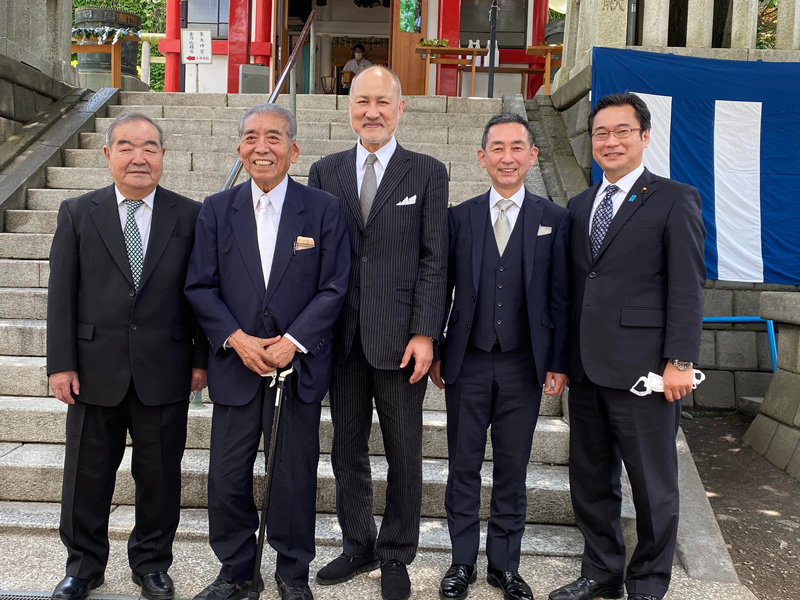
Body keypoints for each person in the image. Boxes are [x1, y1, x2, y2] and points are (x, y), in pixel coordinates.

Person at [185, 103, 349, 600]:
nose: (263, 147)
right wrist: (236, 338)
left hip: (295, 368)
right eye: (252, 137)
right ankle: (236, 569)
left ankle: (292, 571)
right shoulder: (216, 208)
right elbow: (200, 286)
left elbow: (335, 286)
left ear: (294, 150)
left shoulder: (322, 209)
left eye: (275, 137)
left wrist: (293, 343)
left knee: (294, 475)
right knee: (227, 474)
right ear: (239, 149)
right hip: (235, 364)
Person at [549, 93, 705, 600]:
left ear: (643, 136)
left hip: (646, 372)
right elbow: (572, 291)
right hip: (588, 369)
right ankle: (600, 573)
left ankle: (647, 584)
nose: (610, 142)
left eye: (621, 132)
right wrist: (560, 361)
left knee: (653, 486)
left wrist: (680, 360)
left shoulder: (674, 198)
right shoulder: (578, 206)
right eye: (601, 133)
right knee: (591, 481)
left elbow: (687, 284)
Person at [46, 114, 208, 600]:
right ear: (108, 155)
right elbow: (62, 294)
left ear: (163, 155)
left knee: (159, 476)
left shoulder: (191, 214)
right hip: (94, 368)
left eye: (150, 148)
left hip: (166, 367)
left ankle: (152, 563)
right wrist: (60, 363)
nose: (139, 157)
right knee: (86, 474)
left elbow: (200, 293)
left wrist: (201, 359)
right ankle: (83, 565)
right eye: (127, 147)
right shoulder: (78, 212)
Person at [308, 65, 449, 600]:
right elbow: (316, 257)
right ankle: (357, 543)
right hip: (340, 342)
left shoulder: (427, 173)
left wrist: (425, 332)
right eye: (362, 101)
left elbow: (436, 260)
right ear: (349, 107)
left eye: (382, 102)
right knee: (346, 449)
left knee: (404, 450)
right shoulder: (325, 171)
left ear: (399, 108)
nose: (371, 111)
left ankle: (396, 552)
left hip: (400, 343)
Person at [429, 112, 570, 600]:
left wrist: (558, 360)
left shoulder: (555, 219)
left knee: (514, 464)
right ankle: (462, 562)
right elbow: (440, 289)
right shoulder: (460, 217)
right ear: (482, 157)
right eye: (497, 148)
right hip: (466, 360)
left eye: (517, 147)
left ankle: (504, 565)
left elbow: (560, 297)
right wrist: (438, 349)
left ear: (532, 156)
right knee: (463, 465)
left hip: (523, 363)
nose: (507, 157)